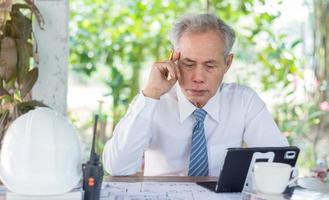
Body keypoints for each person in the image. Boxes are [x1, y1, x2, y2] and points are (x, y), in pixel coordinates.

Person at [103, 13, 289, 176]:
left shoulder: (243, 102)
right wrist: (150, 94)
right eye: (188, 64)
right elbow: (117, 168)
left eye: (210, 65)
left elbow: (283, 166)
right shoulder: (153, 101)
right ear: (173, 59)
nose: (198, 77)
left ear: (228, 63)